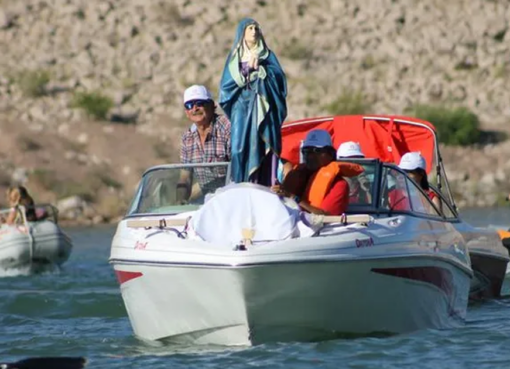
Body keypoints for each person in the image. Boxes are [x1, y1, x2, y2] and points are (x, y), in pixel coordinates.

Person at [219, 18, 287, 185]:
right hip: (241, 107)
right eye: (250, 28)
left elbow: (279, 80)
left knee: (263, 145)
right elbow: (226, 85)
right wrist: (246, 70)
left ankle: (262, 183)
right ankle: (240, 183)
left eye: (256, 28)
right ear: (242, 33)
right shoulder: (235, 57)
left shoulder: (267, 56)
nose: (254, 32)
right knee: (238, 148)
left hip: (262, 107)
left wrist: (262, 71)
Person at [272, 129, 363, 216]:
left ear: (330, 154)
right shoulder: (297, 176)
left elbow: (326, 217)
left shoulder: (339, 185)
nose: (310, 156)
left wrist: (293, 198)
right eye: (306, 151)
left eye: (317, 151)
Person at [176, 85, 231, 203]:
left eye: (200, 103)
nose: (194, 108)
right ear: (186, 112)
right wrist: (180, 203)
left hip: (231, 197)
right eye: (189, 105)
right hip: (207, 201)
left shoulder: (227, 127)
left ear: (212, 106)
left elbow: (238, 171)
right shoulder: (187, 138)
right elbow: (185, 177)